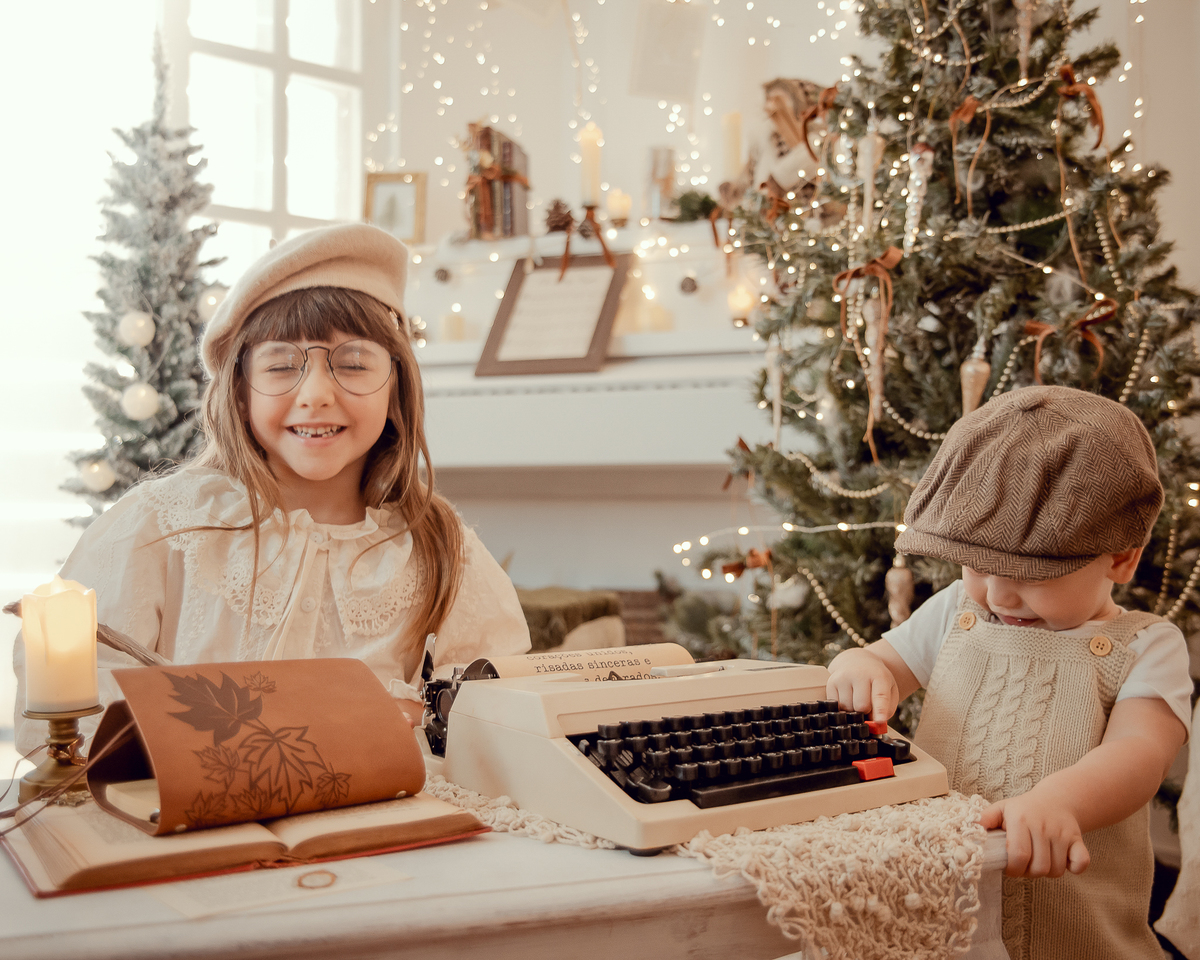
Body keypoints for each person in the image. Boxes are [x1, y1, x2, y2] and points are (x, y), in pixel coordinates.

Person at [15, 224, 530, 751]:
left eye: (353, 364)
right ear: (240, 393)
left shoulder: (438, 544)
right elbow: (67, 703)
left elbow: (505, 710)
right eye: (282, 365)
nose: (316, 395)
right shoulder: (161, 526)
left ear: (395, 387)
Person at [826, 385, 1192, 960]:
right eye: (976, 565)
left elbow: (1141, 755)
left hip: (1073, 926)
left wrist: (1062, 801)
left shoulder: (1147, 645)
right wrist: (859, 665)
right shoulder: (957, 610)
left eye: (1030, 573)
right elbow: (884, 663)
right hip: (940, 898)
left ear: (1120, 558)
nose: (998, 594)